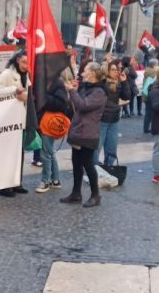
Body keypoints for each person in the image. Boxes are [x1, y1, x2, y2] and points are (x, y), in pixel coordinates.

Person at [61, 62, 107, 207]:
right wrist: (74, 90)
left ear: (92, 73)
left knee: (88, 164)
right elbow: (76, 105)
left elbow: (83, 105)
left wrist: (72, 91)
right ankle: (76, 193)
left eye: (85, 70)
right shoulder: (86, 87)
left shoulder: (99, 91)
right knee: (76, 163)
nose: (82, 73)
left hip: (88, 133)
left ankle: (95, 195)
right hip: (78, 130)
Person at [0, 51, 32, 197]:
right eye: (23, 62)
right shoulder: (7, 74)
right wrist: (14, 90)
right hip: (8, 121)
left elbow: (30, 95)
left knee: (19, 153)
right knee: (7, 154)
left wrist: (27, 97)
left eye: (28, 63)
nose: (26, 66)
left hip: (20, 120)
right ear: (17, 61)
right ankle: (4, 186)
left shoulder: (27, 75)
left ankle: (16, 183)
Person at [35, 71, 73, 193]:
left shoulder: (57, 83)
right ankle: (55, 180)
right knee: (49, 151)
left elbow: (60, 104)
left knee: (45, 153)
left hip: (50, 122)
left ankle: (45, 181)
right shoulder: (41, 82)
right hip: (44, 121)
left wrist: (43, 97)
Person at [95, 62, 132, 166]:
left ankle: (109, 168)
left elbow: (126, 96)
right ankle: (92, 170)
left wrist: (124, 82)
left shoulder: (118, 83)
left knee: (111, 147)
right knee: (96, 147)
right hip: (102, 119)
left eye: (117, 69)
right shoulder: (101, 84)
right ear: (107, 71)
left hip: (114, 119)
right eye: (113, 69)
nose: (116, 72)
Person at [141, 58, 159, 133]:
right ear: (154, 66)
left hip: (146, 94)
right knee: (152, 113)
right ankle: (153, 128)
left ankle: (146, 128)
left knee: (147, 113)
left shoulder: (147, 71)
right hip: (152, 94)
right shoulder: (154, 73)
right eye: (157, 64)